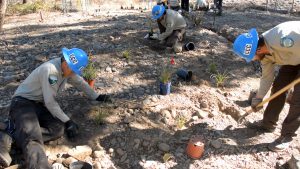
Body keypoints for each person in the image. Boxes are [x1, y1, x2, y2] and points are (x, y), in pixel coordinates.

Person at [0, 47, 112, 168]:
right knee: (33, 137)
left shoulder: (66, 69)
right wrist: (68, 121)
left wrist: (96, 96)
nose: (74, 73)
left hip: (38, 105)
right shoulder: (51, 71)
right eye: (73, 70)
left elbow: (80, 83)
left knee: (58, 128)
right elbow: (50, 102)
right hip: (22, 103)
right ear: (67, 64)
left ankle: (11, 133)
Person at [233, 21, 300, 152]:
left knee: (298, 99)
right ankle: (268, 124)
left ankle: (287, 136)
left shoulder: (285, 38)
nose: (253, 60)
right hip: (293, 57)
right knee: (279, 87)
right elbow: (267, 78)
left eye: (252, 57)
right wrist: (259, 98)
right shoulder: (264, 56)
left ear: (258, 49)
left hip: (297, 49)